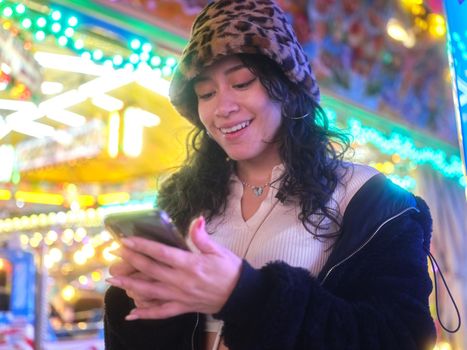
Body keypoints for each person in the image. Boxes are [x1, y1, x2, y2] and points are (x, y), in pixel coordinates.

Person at [104, 0, 436, 349]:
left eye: (242, 82)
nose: (222, 108)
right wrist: (144, 303)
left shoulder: (372, 200)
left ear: (288, 86)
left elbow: (401, 337)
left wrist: (245, 295)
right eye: (206, 92)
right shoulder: (182, 199)